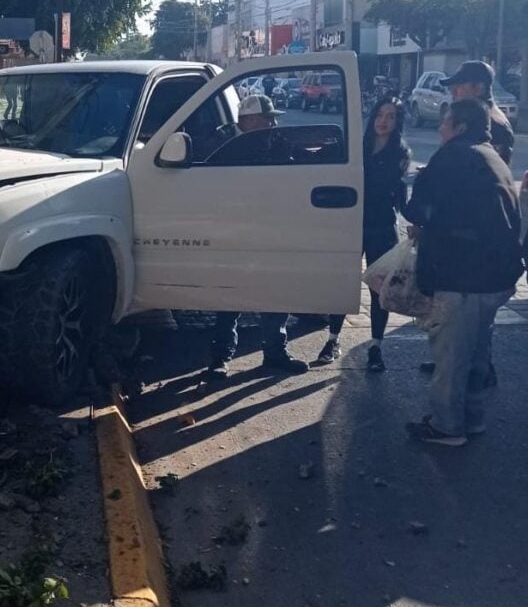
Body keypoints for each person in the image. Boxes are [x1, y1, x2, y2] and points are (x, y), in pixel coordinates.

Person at [404, 99, 524, 446]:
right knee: (474, 354)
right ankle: (471, 418)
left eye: (445, 123)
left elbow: (418, 208)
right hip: (495, 276)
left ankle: (446, 426)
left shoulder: (454, 156)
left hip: (463, 276)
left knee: (452, 356)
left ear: (458, 127)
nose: (440, 128)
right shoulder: (491, 157)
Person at [206, 93, 306, 379]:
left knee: (275, 290)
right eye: (267, 118)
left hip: (272, 227)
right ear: (249, 120)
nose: (273, 123)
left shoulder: (274, 140)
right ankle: (220, 357)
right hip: (235, 228)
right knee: (229, 295)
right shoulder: (223, 143)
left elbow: (300, 164)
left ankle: (275, 353)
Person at [314, 97, 411, 371]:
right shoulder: (357, 147)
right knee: (344, 282)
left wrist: (420, 220)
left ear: (397, 121)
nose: (383, 121)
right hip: (352, 223)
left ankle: (376, 346)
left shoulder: (401, 153)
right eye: (380, 114)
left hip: (382, 227)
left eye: (391, 116)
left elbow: (401, 198)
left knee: (379, 287)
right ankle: (333, 339)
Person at [441, 60, 514, 165]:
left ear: (478, 88)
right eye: (451, 87)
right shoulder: (470, 116)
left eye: (459, 86)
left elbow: (491, 171)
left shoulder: (494, 123)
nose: (453, 92)